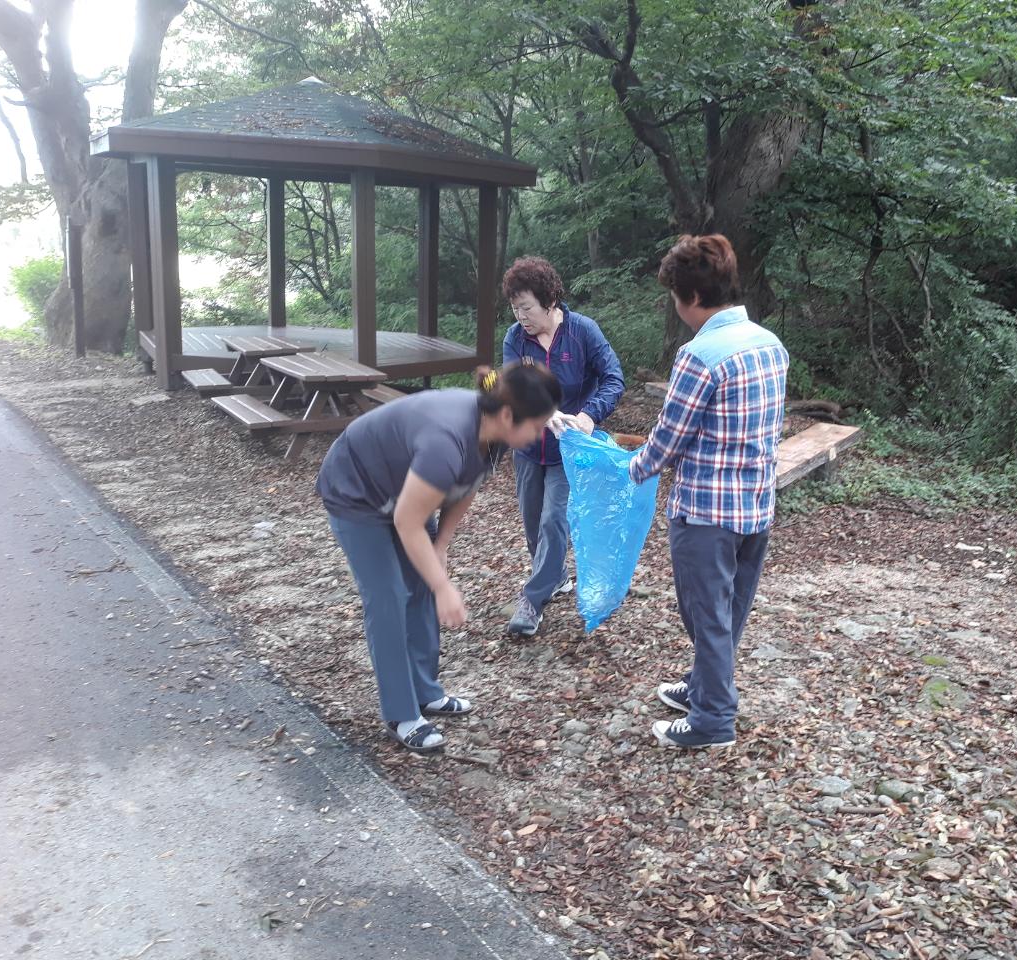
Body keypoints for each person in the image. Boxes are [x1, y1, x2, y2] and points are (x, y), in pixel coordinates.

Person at [316, 363, 561, 753]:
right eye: (536, 425)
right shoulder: (445, 442)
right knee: (388, 596)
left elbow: (467, 484)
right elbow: (407, 522)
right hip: (357, 492)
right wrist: (444, 586)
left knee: (422, 585)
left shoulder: (492, 435)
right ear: (508, 415)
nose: (540, 433)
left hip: (403, 492)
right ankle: (401, 713)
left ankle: (426, 692)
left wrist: (441, 545)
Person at [629, 235, 789, 749]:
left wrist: (632, 469)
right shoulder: (770, 344)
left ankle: (713, 720)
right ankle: (703, 685)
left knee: (707, 616)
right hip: (756, 506)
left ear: (693, 296)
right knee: (729, 610)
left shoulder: (700, 356)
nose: (677, 308)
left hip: (706, 513)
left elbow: (669, 438)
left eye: (676, 296)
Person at [501, 256, 625, 637]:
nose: (521, 316)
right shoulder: (515, 339)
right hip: (528, 448)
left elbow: (614, 378)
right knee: (534, 528)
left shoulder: (582, 332)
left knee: (554, 521)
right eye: (515, 308)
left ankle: (532, 601)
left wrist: (589, 415)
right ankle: (555, 576)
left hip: (569, 450)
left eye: (527, 307)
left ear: (549, 301)